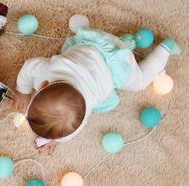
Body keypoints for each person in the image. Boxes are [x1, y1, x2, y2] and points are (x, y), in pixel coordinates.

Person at [14, 28, 181, 154]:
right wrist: (22, 91)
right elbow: (29, 67)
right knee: (113, 48)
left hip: (115, 67)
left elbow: (67, 134)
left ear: (42, 85)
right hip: (94, 46)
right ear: (43, 85)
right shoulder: (46, 70)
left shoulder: (84, 112)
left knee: (139, 82)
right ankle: (124, 44)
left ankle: (165, 49)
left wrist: (55, 141)